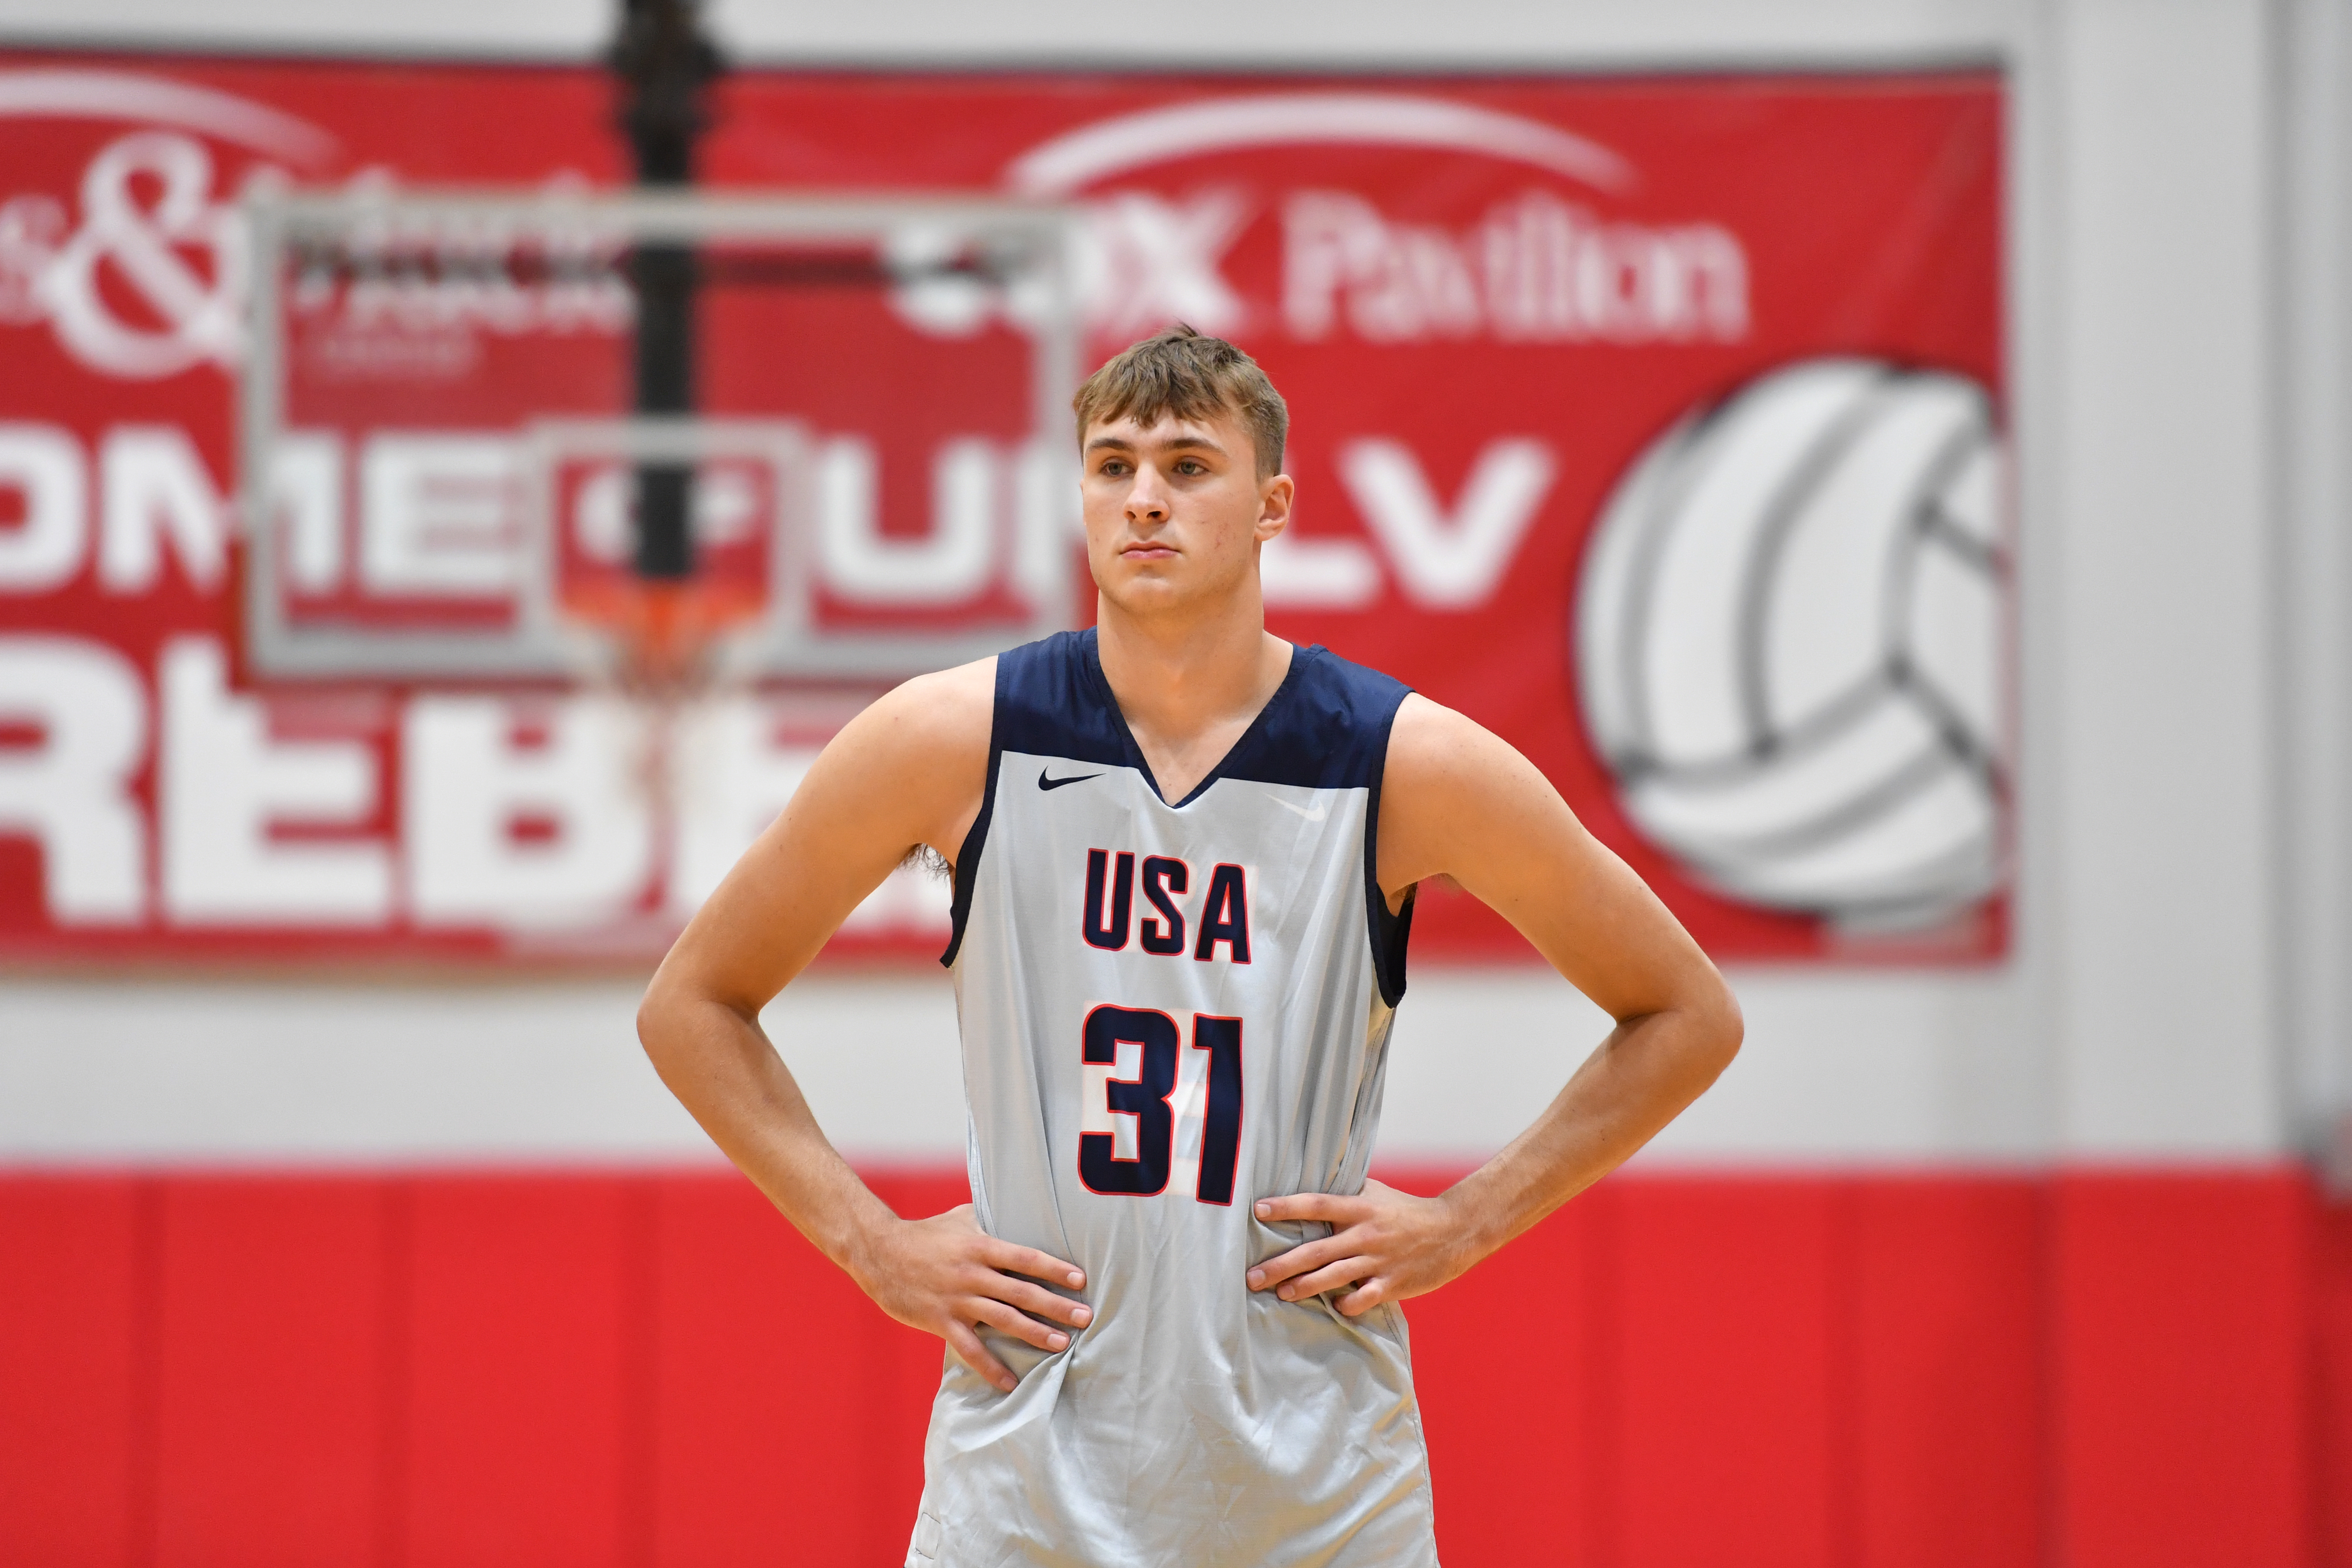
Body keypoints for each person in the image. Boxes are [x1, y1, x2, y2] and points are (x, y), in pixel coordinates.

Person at [637, 325, 1742, 1565]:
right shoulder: (950, 738)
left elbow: (1684, 1014)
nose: (1144, 498)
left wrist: (1466, 1223)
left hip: (1317, 1491)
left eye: (1186, 464)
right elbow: (693, 1004)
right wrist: (867, 1242)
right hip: (1024, 1488)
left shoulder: (1402, 761)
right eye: (1111, 467)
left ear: (1271, 505)